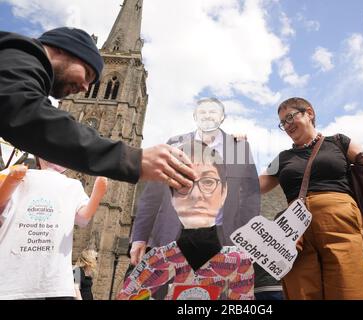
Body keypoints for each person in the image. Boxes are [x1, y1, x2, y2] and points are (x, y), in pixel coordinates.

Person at [0, 27, 195, 189]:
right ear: (61, 49)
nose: (86, 87)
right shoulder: (16, 55)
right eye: (87, 73)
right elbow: (26, 113)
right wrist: (132, 160)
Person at [259, 97, 363, 300]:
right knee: (301, 293)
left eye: (290, 117)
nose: (287, 126)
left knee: (351, 289)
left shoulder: (338, 142)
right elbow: (252, 187)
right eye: (282, 123)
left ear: (309, 113)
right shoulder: (283, 158)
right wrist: (237, 155)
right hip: (295, 232)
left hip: (339, 223)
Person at [129, 98, 260, 265]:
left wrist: (246, 236)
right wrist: (140, 236)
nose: (207, 116)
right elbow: (152, 194)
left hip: (220, 237)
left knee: (214, 289)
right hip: (174, 233)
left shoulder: (239, 147)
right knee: (167, 289)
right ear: (195, 116)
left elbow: (251, 195)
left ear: (222, 117)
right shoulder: (174, 143)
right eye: (202, 112)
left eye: (213, 112)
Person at [117, 141, 254, 300]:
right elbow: (149, 201)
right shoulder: (155, 262)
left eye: (208, 182)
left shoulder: (237, 261)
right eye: (184, 183)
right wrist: (139, 237)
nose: (196, 194)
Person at [0, 157, 107, 299]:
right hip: (13, 280)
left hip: (54, 282)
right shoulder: (20, 176)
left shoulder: (73, 186)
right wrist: (11, 181)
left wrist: (97, 193)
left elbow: (84, 217)